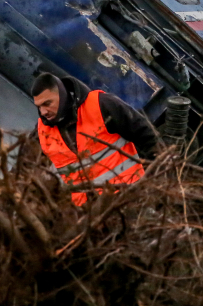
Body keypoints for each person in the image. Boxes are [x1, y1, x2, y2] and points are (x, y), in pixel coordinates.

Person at [30, 72, 158, 206]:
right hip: (88, 215)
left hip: (129, 198)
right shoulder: (42, 132)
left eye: (47, 103)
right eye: (39, 106)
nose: (43, 112)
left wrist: (154, 183)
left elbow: (147, 136)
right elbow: (24, 168)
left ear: (62, 96)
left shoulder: (101, 105)